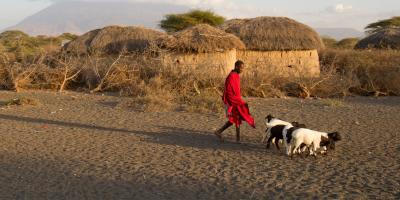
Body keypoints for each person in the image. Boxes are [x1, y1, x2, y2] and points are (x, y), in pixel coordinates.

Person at [214, 60, 255, 142]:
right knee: (235, 119)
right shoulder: (231, 76)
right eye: (241, 68)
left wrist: (239, 99)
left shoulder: (236, 75)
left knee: (236, 118)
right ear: (236, 67)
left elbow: (236, 90)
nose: (242, 70)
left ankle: (220, 132)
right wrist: (235, 100)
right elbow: (228, 91)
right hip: (232, 101)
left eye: (243, 68)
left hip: (236, 100)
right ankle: (236, 138)